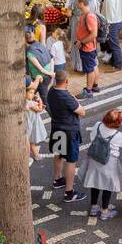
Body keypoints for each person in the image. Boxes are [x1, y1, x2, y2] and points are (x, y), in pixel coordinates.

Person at [47, 70, 88, 203]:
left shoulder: (51, 92)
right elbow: (82, 112)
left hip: (57, 128)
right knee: (71, 160)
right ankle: (69, 192)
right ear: (66, 82)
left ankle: (57, 179)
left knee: (58, 154)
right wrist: (75, 99)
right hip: (69, 131)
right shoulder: (66, 97)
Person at [80, 109, 122, 220]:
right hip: (109, 162)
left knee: (95, 182)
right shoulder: (118, 135)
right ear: (118, 123)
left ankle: (94, 207)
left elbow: (92, 137)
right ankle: (105, 211)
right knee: (107, 186)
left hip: (95, 158)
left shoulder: (97, 125)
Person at [73, 0, 101, 97]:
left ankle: (88, 91)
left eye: (77, 3)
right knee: (93, 66)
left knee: (89, 70)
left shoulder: (89, 16)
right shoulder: (85, 15)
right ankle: (95, 85)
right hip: (89, 47)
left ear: (81, 3)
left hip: (88, 48)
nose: (77, 5)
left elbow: (94, 34)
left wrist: (82, 42)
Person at [98, 0, 122, 70]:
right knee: (112, 44)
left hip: (112, 23)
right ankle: (113, 61)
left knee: (114, 45)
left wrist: (107, 27)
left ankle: (117, 65)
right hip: (119, 20)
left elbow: (109, 16)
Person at [25, 82, 49, 165]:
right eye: (30, 92)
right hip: (32, 123)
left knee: (30, 140)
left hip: (29, 122)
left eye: (33, 93)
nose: (32, 94)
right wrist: (40, 100)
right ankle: (36, 156)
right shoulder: (30, 103)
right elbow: (39, 109)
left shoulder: (26, 102)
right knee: (31, 141)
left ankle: (33, 154)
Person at [26, 30, 53, 102]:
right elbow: (51, 58)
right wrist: (51, 72)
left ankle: (52, 112)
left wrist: (51, 73)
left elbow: (41, 70)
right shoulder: (41, 45)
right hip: (47, 77)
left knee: (45, 100)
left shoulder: (29, 52)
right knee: (30, 94)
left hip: (41, 79)